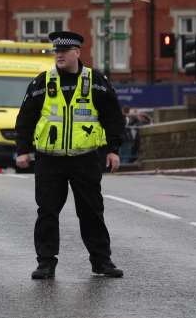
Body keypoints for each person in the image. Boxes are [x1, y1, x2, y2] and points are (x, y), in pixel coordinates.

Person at [15, 31, 125, 279]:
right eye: (56, 51)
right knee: (47, 211)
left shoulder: (96, 81)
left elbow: (113, 118)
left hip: (85, 158)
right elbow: (26, 118)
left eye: (64, 51)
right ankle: (45, 262)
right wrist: (22, 149)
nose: (59, 55)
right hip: (49, 159)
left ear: (77, 52)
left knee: (91, 211)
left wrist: (113, 150)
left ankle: (101, 261)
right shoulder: (42, 82)